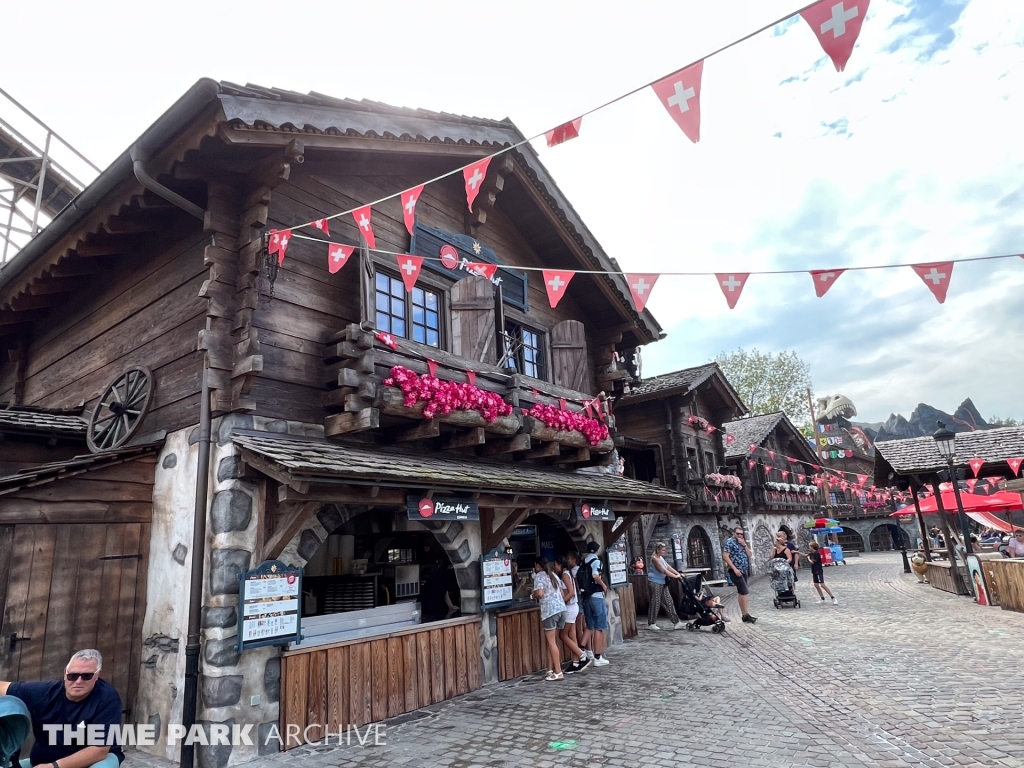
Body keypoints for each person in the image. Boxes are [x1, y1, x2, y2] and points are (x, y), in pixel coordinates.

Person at [0, 649, 125, 768]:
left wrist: (54, 766)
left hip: (94, 761)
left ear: (97, 675)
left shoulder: (107, 698)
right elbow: (3, 687)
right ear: (65, 673)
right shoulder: (44, 692)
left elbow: (99, 751)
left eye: (86, 676)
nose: (78, 681)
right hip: (43, 762)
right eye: (73, 675)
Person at [532, 557, 568, 681]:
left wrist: (533, 595)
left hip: (550, 611)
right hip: (561, 609)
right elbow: (563, 593)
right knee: (552, 641)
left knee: (551, 642)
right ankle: (550, 669)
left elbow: (540, 593)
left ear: (537, 566)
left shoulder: (539, 576)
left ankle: (558, 672)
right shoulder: (553, 575)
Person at [554, 558, 591, 673]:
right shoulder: (568, 573)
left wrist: (561, 602)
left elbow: (570, 592)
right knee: (572, 634)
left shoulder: (565, 575)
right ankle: (575, 662)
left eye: (555, 565)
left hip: (570, 607)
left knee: (563, 635)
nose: (554, 567)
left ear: (560, 565)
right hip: (573, 607)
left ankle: (582, 656)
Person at [579, 542, 610, 666]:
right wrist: (603, 585)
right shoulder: (596, 562)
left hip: (585, 597)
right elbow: (595, 575)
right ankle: (597, 657)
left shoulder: (583, 562)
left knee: (589, 625)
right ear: (597, 550)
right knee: (599, 627)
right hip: (596, 596)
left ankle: (582, 651)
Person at [647, 542, 685, 630]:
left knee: (669, 601)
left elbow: (668, 567)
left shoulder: (661, 558)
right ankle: (651, 623)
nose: (664, 551)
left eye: (664, 550)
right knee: (656, 602)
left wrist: (678, 573)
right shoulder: (654, 559)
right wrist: (675, 577)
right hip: (655, 582)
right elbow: (663, 570)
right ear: (658, 550)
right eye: (662, 550)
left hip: (663, 582)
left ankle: (676, 622)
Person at [723, 527, 757, 623]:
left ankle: (744, 615)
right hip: (735, 571)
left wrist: (744, 545)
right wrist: (734, 569)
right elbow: (725, 556)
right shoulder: (730, 542)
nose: (739, 535)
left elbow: (750, 555)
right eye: (738, 533)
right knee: (745, 591)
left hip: (743, 570)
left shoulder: (742, 542)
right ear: (734, 533)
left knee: (741, 592)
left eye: (741, 534)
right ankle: (746, 614)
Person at [420, 558, 459, 622]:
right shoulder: (445, 574)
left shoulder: (437, 573)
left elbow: (444, 591)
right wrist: (450, 605)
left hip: (425, 604)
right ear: (450, 566)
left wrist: (450, 605)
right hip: (433, 606)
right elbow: (444, 591)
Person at [565, 551, 587, 653]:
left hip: (576, 600)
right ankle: (587, 649)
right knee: (583, 625)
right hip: (583, 598)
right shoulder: (581, 569)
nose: (567, 561)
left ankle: (581, 648)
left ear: (574, 559)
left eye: (569, 558)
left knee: (578, 627)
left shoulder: (572, 572)